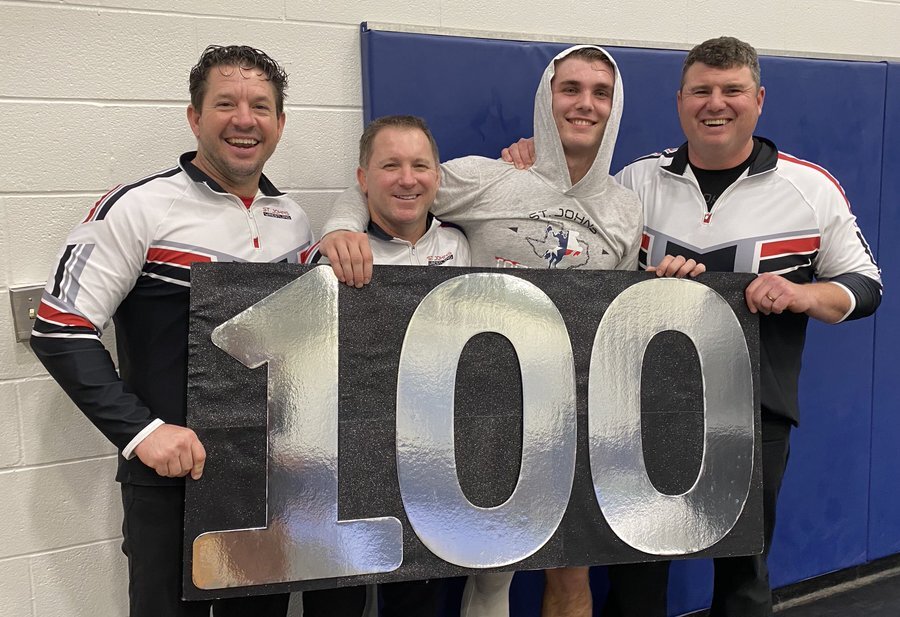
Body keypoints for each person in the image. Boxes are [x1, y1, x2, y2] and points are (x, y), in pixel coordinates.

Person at [502, 36, 882, 617]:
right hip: (641, 411)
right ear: (680, 101)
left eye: (732, 91)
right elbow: (576, 243)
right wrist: (531, 158)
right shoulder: (635, 182)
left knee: (742, 577)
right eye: (701, 90)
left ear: (759, 99)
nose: (716, 103)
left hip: (755, 412)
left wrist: (802, 293)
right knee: (636, 573)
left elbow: (865, 287)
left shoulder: (810, 189)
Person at [316, 46, 656, 617]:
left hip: (567, 414)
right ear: (546, 99)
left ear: (616, 107)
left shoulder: (625, 208)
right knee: (471, 567)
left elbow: (613, 314)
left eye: (601, 92)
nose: (585, 103)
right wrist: (340, 228)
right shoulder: (487, 177)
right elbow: (390, 181)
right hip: (476, 409)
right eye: (570, 88)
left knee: (551, 576)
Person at [30, 45, 314, 617]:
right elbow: (59, 327)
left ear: (279, 124)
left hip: (264, 481)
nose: (244, 119)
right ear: (195, 117)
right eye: (225, 103)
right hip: (169, 480)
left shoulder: (294, 221)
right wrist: (143, 432)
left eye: (261, 106)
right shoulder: (139, 206)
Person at [303, 114, 469, 617]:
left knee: (417, 600)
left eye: (420, 165)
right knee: (337, 602)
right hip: (344, 463)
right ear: (362, 180)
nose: (407, 178)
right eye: (390, 165)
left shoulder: (460, 245)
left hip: (429, 465)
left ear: (437, 177)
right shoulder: (330, 256)